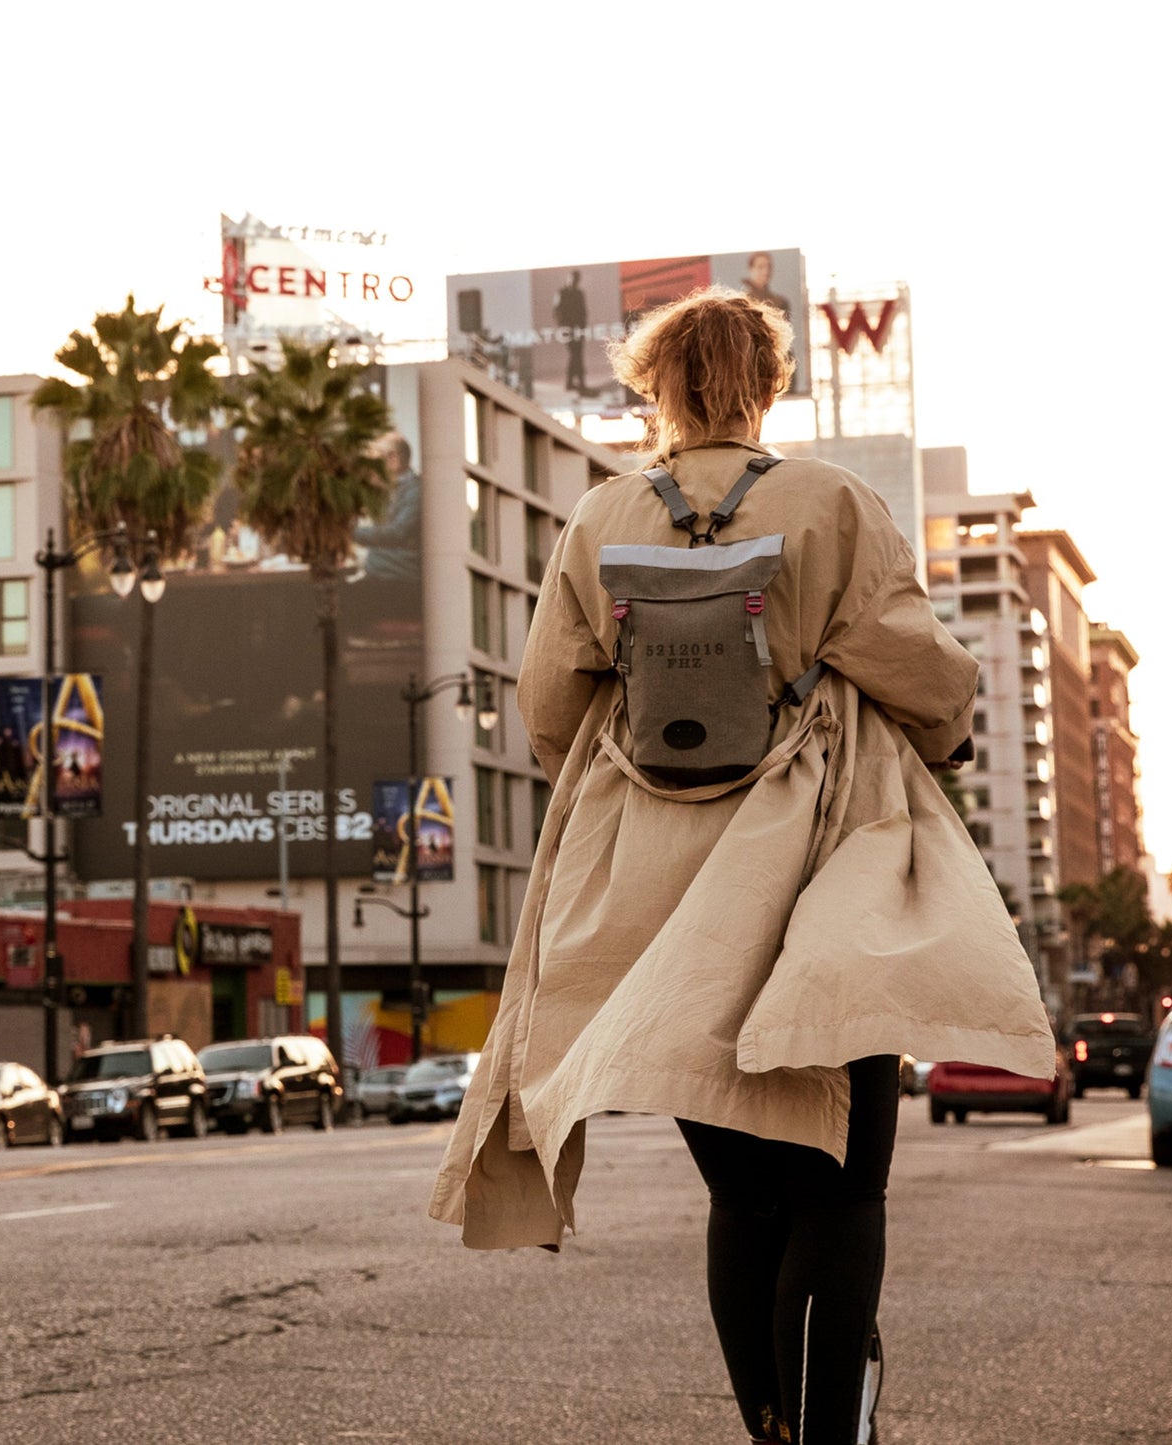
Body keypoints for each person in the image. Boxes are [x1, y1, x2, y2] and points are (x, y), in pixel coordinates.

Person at [428, 286, 1052, 1444]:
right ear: (767, 384)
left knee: (742, 1193)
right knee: (841, 1184)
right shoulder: (830, 503)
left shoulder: (599, 518)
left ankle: (770, 1426)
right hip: (823, 877)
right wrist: (944, 726)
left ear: (653, 387)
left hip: (662, 912)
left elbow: (550, 710)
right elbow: (917, 671)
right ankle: (827, 1434)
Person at [352, 433, 421, 581]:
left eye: (373, 460)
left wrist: (348, 533)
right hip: (379, 574)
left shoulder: (416, 491)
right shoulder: (388, 489)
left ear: (393, 459)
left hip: (397, 577)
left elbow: (397, 532)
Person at [553, 269, 589, 394]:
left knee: (578, 355)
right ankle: (575, 383)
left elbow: (583, 311)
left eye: (576, 279)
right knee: (575, 356)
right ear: (568, 278)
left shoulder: (579, 293)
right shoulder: (561, 293)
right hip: (567, 330)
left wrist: (582, 327)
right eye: (572, 279)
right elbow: (557, 311)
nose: (574, 281)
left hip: (578, 330)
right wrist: (564, 327)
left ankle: (574, 383)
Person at [741, 250, 792, 321]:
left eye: (768, 267)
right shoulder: (742, 301)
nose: (766, 271)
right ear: (751, 269)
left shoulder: (780, 302)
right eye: (760, 267)